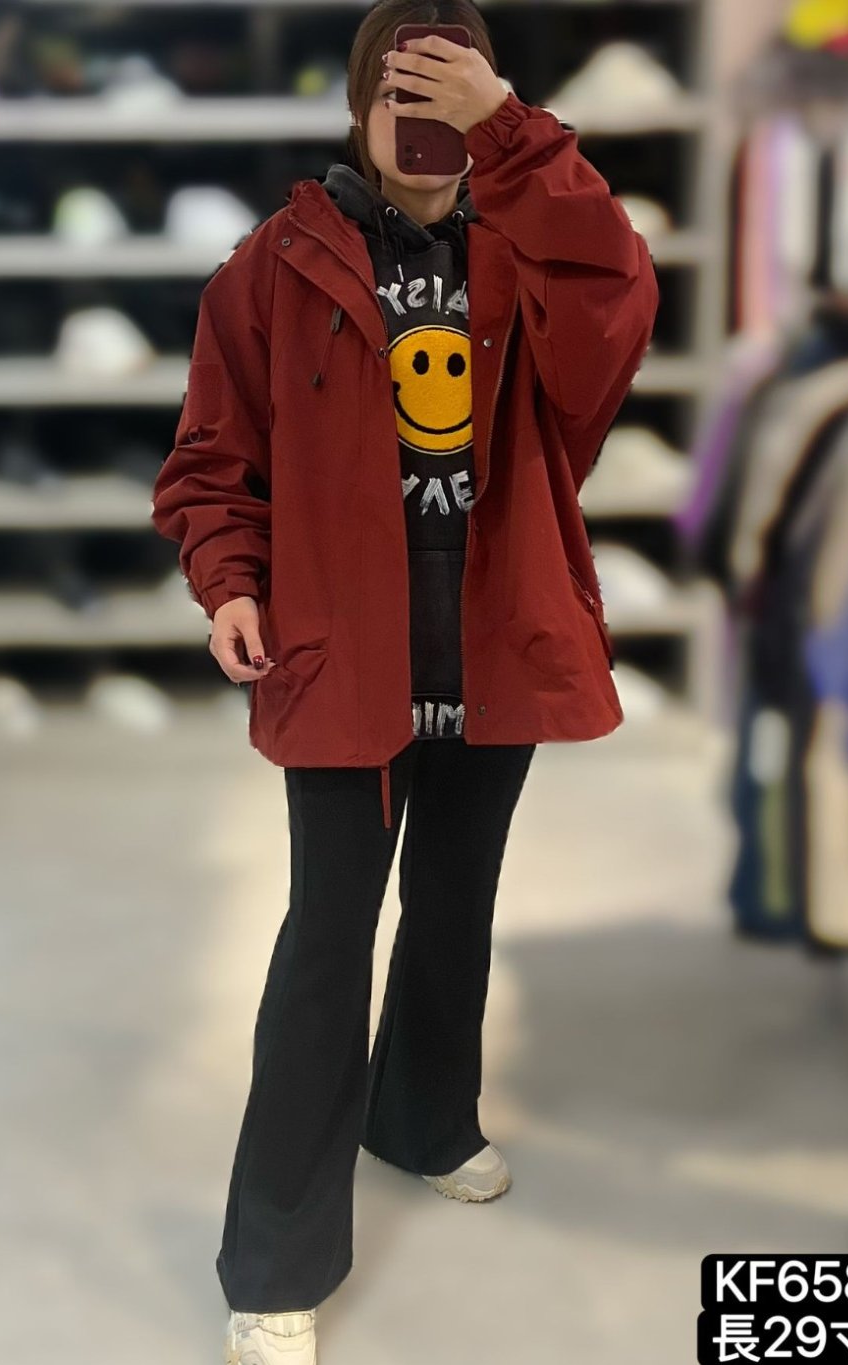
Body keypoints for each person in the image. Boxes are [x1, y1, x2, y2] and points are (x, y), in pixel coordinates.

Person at [151, 2, 658, 1361]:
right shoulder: (271, 267)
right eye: (398, 95)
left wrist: (515, 137)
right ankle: (275, 1259)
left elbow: (618, 300)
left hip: (491, 638)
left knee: (455, 905)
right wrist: (231, 582)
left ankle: (426, 1118)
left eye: (450, 97)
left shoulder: (530, 252)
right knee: (328, 938)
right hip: (339, 651)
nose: (419, 124)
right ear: (357, 107)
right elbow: (211, 459)